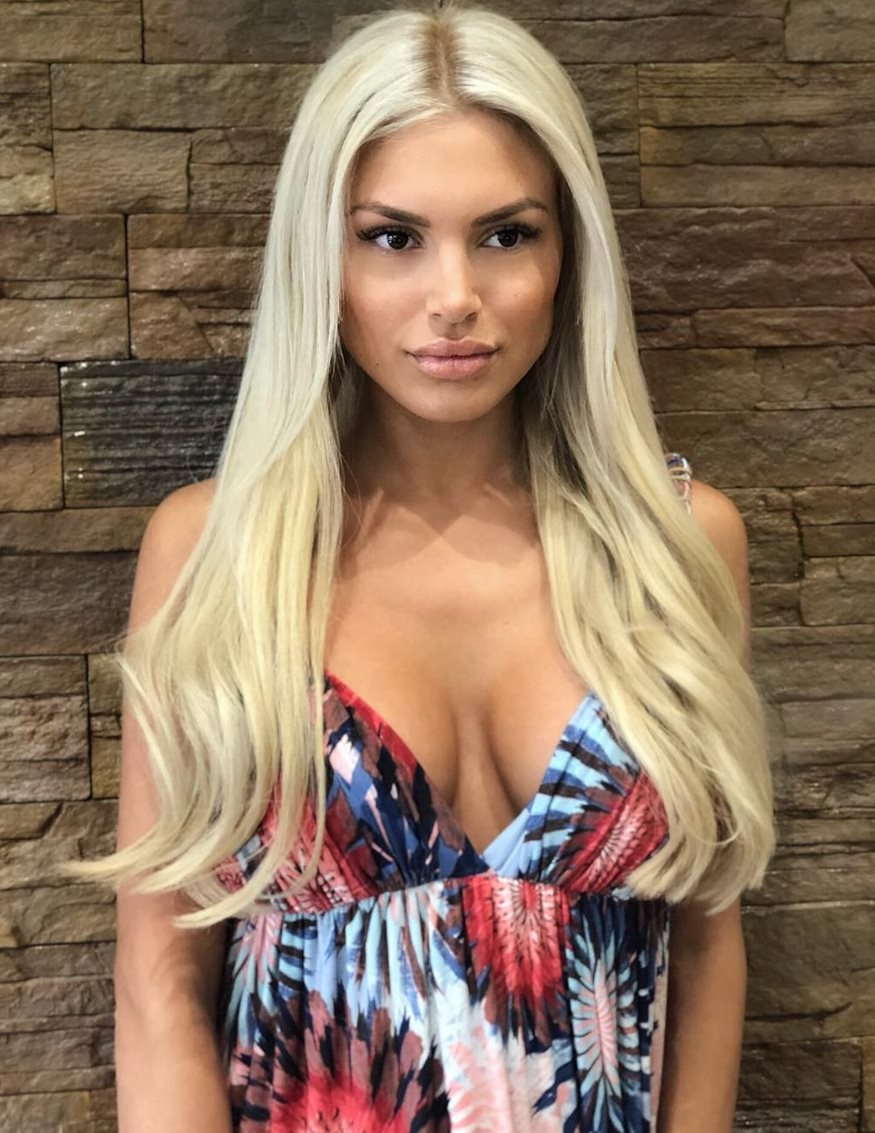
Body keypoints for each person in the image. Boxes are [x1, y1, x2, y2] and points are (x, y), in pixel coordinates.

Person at [59, 1, 777, 1130]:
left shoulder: (677, 545)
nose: (454, 296)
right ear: (322, 257)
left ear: (567, 254)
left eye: (505, 234)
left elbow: (704, 946)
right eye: (393, 237)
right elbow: (160, 980)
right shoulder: (214, 554)